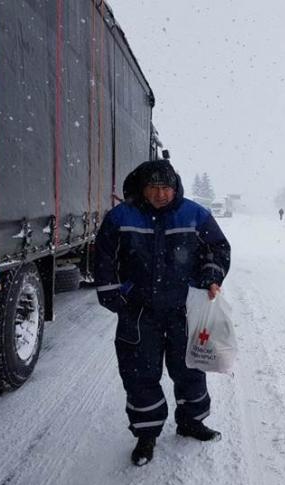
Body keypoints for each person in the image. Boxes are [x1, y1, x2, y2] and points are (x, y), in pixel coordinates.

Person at [95, 159, 231, 466]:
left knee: (190, 367)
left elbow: (218, 249)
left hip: (185, 310)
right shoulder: (120, 217)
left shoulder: (195, 214)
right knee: (139, 373)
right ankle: (146, 434)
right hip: (138, 312)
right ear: (143, 188)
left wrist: (211, 275)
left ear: (176, 187)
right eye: (154, 188)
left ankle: (191, 422)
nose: (161, 195)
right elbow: (104, 259)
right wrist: (115, 298)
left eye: (166, 188)